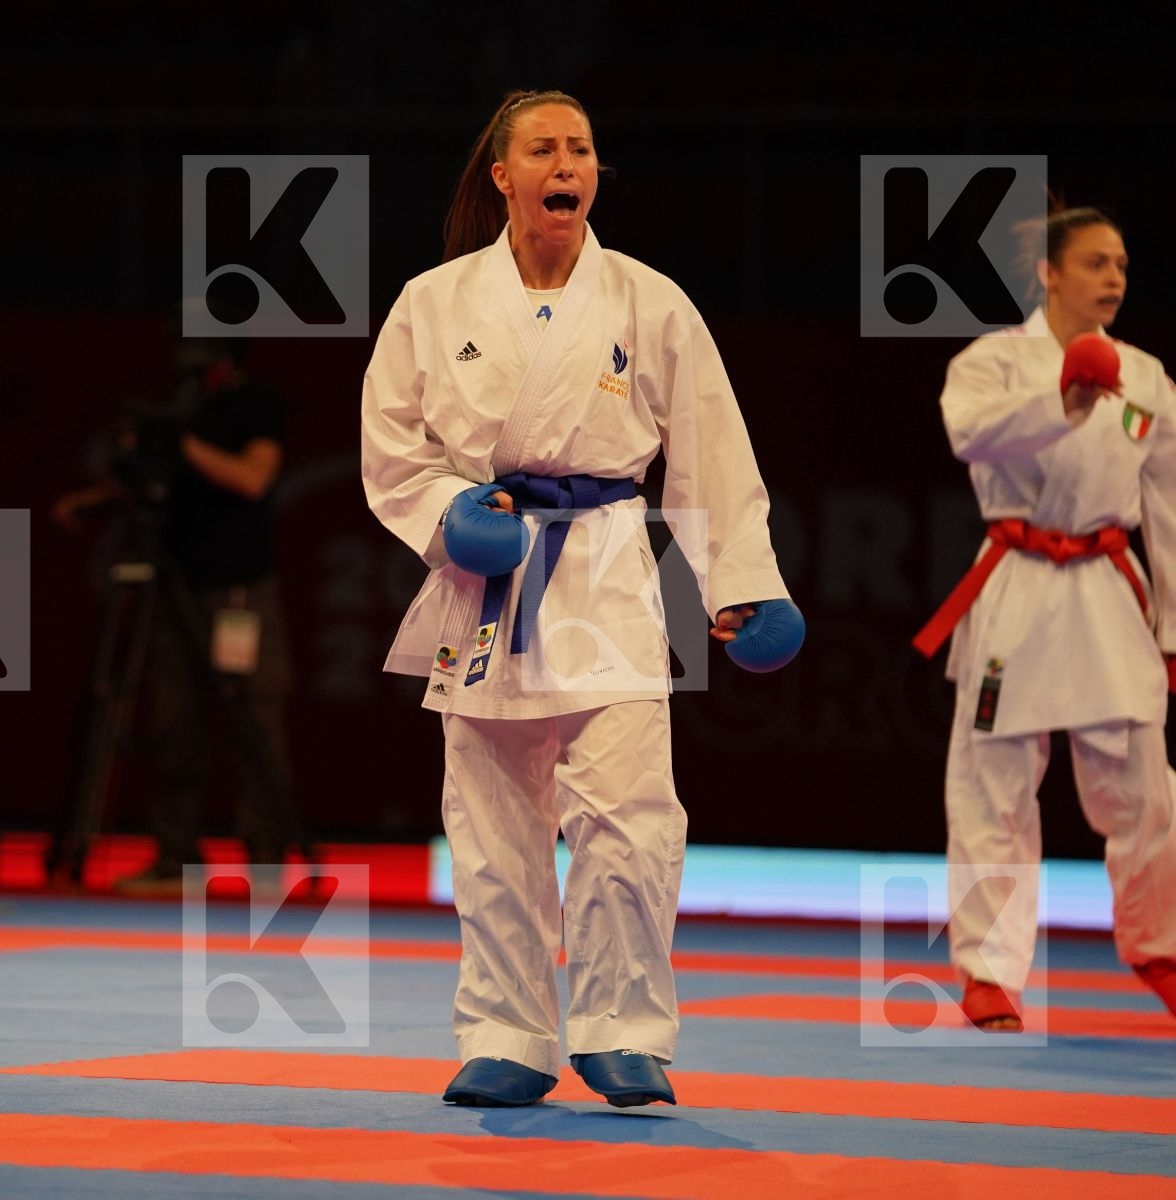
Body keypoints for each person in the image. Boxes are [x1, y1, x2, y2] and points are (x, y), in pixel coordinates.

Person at [361, 90, 800, 1108]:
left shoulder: (650, 302)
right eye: (545, 148)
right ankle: (509, 1033)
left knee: (635, 817)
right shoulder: (435, 301)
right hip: (489, 574)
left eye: (584, 148)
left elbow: (711, 453)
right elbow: (392, 446)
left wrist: (741, 584)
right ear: (503, 176)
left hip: (608, 565)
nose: (569, 162)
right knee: (494, 826)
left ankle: (623, 1029)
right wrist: (445, 512)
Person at [913, 205, 1176, 1028]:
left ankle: (1158, 944)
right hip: (1020, 579)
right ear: (1050, 273)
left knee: (1144, 785)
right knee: (993, 780)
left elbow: (1165, 510)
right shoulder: (990, 362)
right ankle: (989, 971)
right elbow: (968, 436)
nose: (1113, 279)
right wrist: (1062, 398)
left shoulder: (1149, 376)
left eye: (1123, 266)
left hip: (1106, 585)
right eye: (1096, 263)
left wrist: (1172, 632)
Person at [54, 331, 292, 894]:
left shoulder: (253, 405)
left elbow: (252, 478)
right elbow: (160, 486)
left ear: (225, 361)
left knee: (253, 721)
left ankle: (264, 861)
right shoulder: (183, 411)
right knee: (175, 724)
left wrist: (184, 444)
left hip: (238, 593)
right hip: (177, 585)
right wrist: (96, 500)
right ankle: (174, 857)